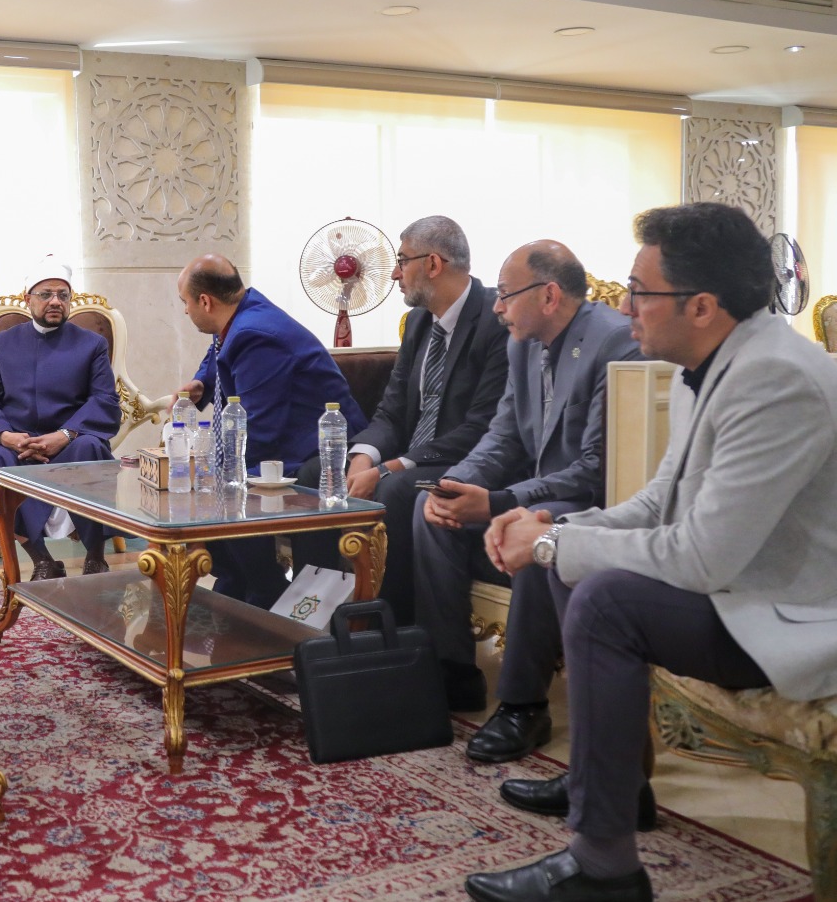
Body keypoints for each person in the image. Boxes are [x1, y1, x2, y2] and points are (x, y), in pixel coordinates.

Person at [464, 203, 837, 902]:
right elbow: (660, 501)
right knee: (574, 557)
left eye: (640, 291)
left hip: (794, 616)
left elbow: (699, 558)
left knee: (605, 597)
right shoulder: (715, 362)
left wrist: (554, 541)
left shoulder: (775, 379)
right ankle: (613, 786)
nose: (624, 306)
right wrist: (554, 526)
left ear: (701, 305)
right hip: (742, 592)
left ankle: (604, 868)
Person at [410, 241, 641, 763]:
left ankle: (523, 706)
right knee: (431, 515)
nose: (496, 307)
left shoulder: (616, 344)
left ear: (549, 296)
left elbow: (597, 468)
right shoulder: (522, 344)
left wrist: (500, 501)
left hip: (593, 504)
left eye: (506, 294)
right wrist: (455, 485)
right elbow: (504, 435)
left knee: (538, 532)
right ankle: (452, 674)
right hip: (534, 495)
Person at [319, 215, 510, 624]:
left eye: (402, 260)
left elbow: (481, 427)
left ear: (433, 264)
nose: (394, 273)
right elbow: (391, 410)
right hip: (414, 456)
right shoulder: (419, 322)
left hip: (465, 460)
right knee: (320, 471)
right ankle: (323, 619)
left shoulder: (496, 320)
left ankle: (390, 631)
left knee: (395, 489)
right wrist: (364, 457)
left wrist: (389, 468)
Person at [176, 254, 366, 608]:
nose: (185, 311)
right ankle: (237, 585)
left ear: (205, 301)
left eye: (185, 302)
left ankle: (263, 591)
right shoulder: (242, 312)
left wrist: (210, 471)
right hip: (286, 442)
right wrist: (202, 382)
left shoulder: (255, 335)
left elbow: (258, 430)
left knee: (223, 490)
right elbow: (217, 351)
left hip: (317, 450)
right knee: (212, 485)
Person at [0, 256, 120, 579]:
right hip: (17, 444)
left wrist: (65, 435)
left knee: (91, 449)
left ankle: (96, 557)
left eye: (63, 295)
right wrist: (6, 436)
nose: (55, 302)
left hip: (71, 441)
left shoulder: (92, 344)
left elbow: (105, 400)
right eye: (46, 294)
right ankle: (41, 560)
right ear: (28, 299)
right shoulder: (2, 344)